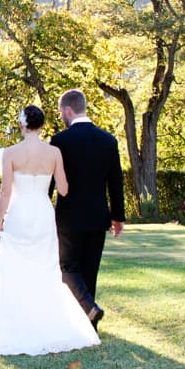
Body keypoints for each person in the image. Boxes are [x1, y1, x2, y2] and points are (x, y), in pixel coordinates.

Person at [0, 105, 100, 356]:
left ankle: (20, 320)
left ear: (22, 125)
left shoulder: (11, 153)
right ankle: (48, 319)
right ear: (42, 125)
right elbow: (64, 189)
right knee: (46, 266)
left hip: (19, 212)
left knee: (17, 266)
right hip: (43, 212)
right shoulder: (54, 152)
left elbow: (5, 191)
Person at [51, 89, 125, 331]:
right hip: (98, 217)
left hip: (69, 218)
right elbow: (115, 182)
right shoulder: (108, 140)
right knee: (89, 270)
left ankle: (89, 310)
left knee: (68, 267)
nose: (61, 115)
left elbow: (52, 181)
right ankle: (87, 327)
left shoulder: (60, 141)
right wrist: (118, 217)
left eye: (61, 111)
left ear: (68, 110)